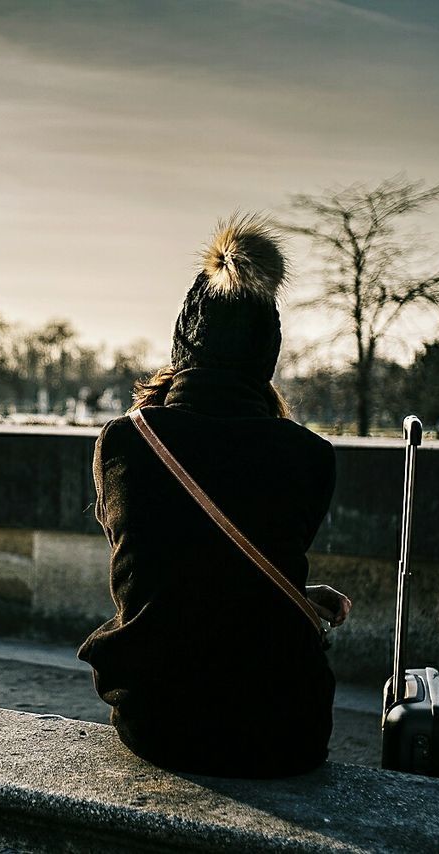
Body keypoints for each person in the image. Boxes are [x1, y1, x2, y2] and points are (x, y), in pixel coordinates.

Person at [77, 214, 351, 778]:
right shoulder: (311, 456)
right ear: (266, 351)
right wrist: (293, 593)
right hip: (284, 729)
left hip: (162, 721)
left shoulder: (127, 442)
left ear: (183, 343)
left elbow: (166, 565)